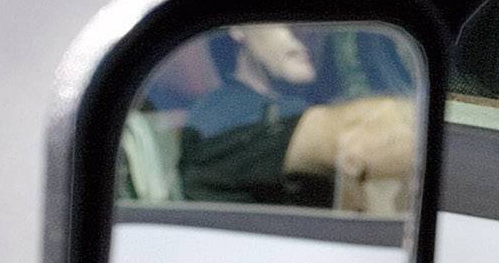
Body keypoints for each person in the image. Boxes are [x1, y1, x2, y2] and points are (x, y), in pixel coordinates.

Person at [178, 24, 417, 208]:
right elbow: (356, 133)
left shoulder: (310, 103)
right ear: (238, 27)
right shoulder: (221, 117)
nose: (306, 31)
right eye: (290, 15)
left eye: (320, 19)